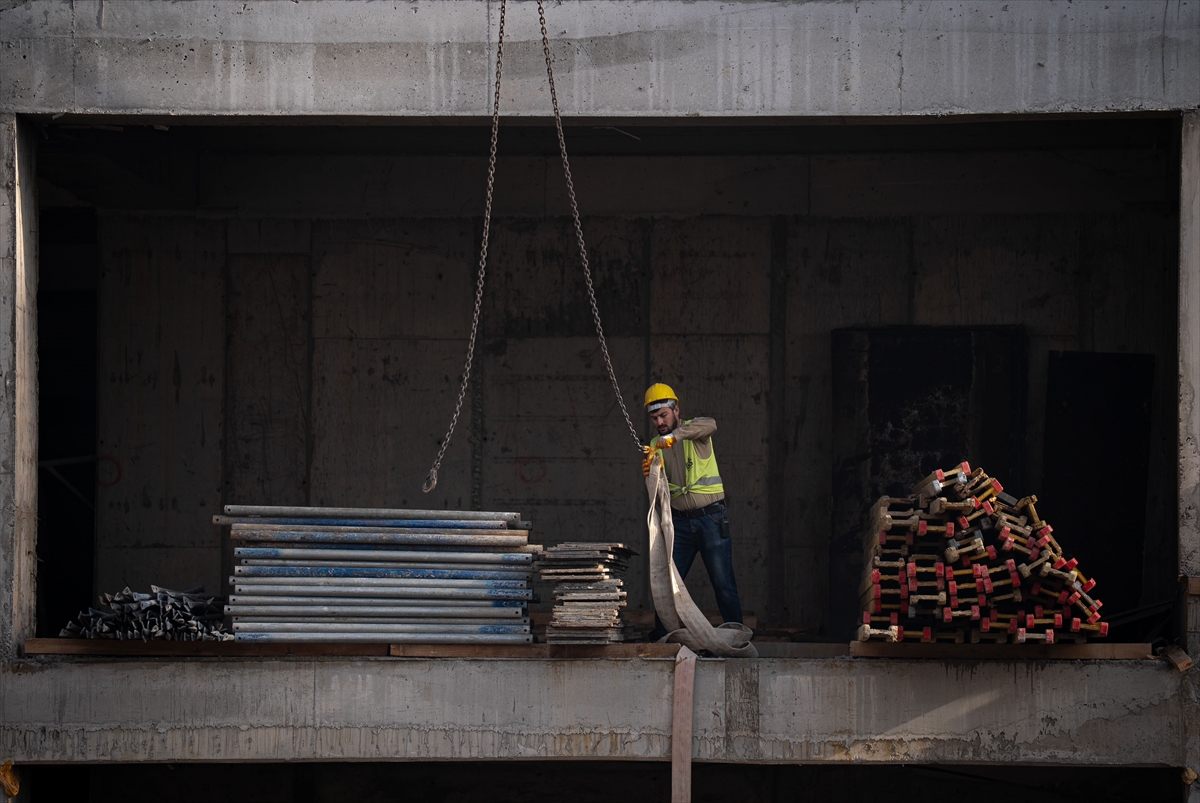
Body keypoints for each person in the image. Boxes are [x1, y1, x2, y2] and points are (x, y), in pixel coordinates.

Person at [641, 383, 744, 639]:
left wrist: (675, 436)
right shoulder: (656, 443)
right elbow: (660, 489)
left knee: (723, 585)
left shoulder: (695, 431)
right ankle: (665, 636)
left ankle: (739, 637)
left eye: (664, 415)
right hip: (680, 525)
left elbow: (710, 424)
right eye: (655, 418)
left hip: (711, 518)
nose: (660, 422)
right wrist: (652, 472)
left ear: (676, 410)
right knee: (667, 585)